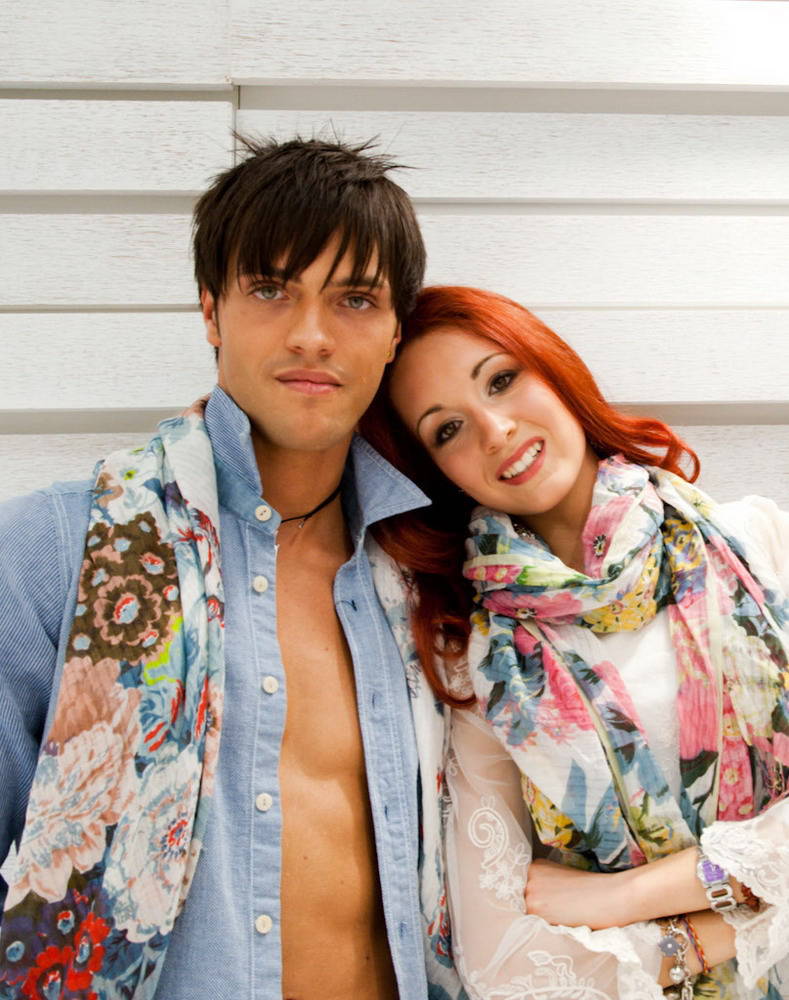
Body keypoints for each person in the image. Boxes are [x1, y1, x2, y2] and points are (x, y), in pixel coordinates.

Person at [0, 138, 466, 1000]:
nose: (311, 335)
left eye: (354, 299)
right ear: (211, 311)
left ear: (395, 329)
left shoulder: (428, 574)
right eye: (270, 289)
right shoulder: (57, 551)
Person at [360, 285, 789, 1000]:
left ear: (553, 368)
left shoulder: (761, 546)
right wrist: (741, 920)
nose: (495, 429)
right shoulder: (479, 663)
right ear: (435, 471)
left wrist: (628, 897)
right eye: (447, 429)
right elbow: (501, 961)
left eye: (501, 379)